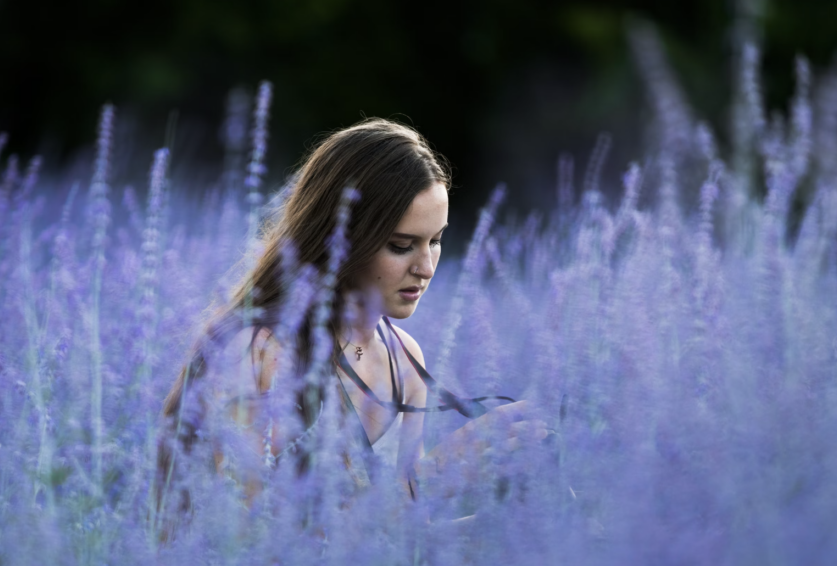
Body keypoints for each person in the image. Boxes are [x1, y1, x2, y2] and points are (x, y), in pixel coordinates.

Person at [156, 118, 546, 524]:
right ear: (341, 241)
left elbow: (399, 550)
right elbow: (253, 540)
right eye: (401, 245)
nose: (426, 267)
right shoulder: (259, 352)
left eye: (436, 241)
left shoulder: (404, 360)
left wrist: (503, 525)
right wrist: (434, 475)